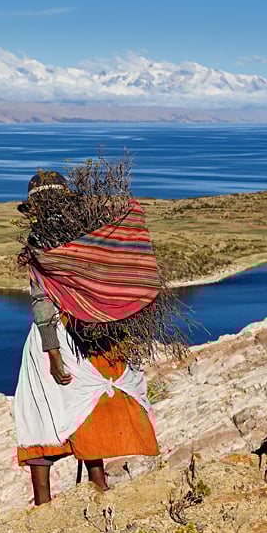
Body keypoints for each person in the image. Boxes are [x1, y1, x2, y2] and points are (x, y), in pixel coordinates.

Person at [13, 169, 161, 506]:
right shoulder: (92, 236)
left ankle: (44, 504)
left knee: (42, 410)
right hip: (98, 332)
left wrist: (52, 353)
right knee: (90, 408)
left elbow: (43, 303)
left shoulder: (40, 243)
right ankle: (99, 487)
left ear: (35, 208)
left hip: (59, 336)